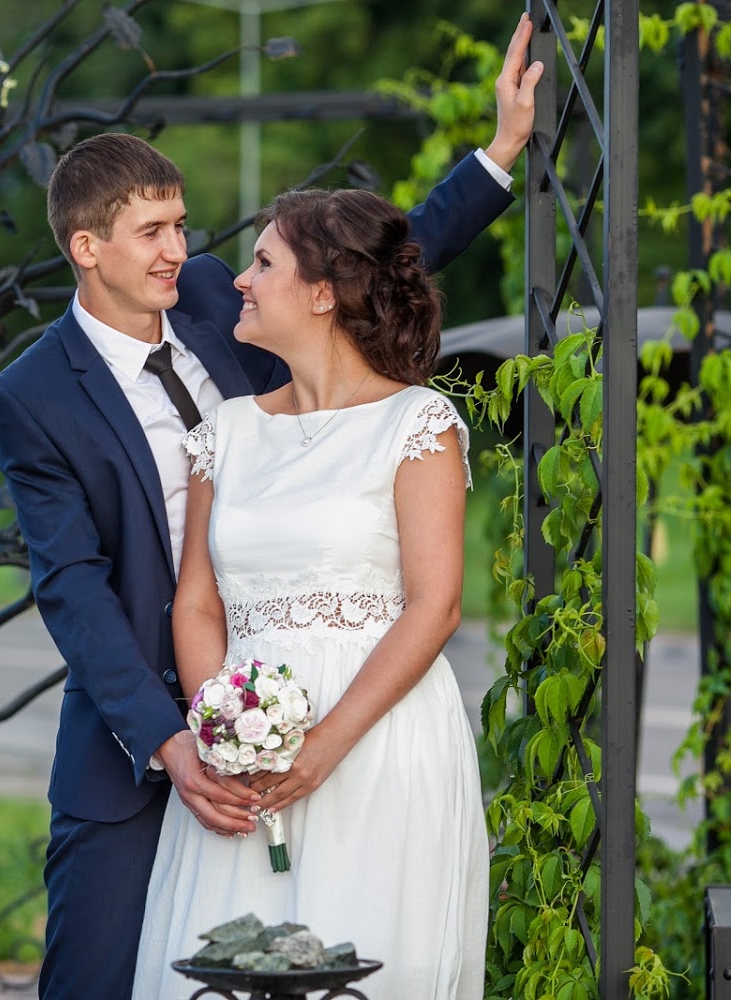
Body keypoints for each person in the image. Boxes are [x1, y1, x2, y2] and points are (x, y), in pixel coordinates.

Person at [0, 18, 540, 1000]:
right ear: (87, 246)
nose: (182, 251)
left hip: (317, 724)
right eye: (153, 233)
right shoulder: (30, 397)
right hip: (140, 740)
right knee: (103, 980)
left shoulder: (215, 302)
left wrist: (495, 157)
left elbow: (367, 261)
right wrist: (179, 736)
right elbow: (72, 588)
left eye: (182, 226)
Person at [131, 186, 485, 999]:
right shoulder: (224, 432)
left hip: (377, 745)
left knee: (364, 957)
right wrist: (222, 732)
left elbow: (436, 605)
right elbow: (198, 604)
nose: (239, 283)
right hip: (245, 765)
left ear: (324, 293)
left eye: (263, 264)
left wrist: (322, 748)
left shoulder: (416, 424)